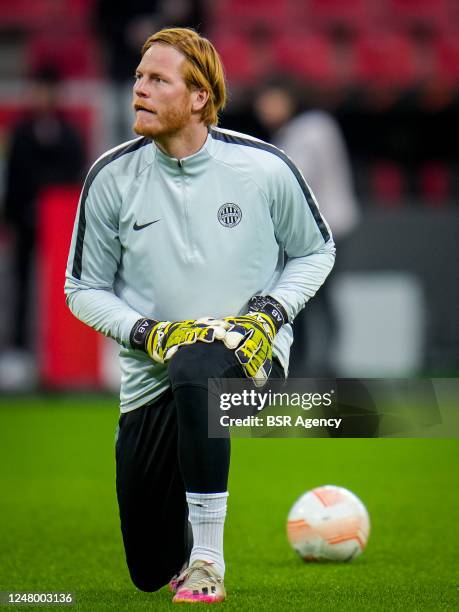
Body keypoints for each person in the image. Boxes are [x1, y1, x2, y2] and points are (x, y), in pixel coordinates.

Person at [64, 28, 335, 604]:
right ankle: (182, 549)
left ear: (199, 98)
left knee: (199, 367)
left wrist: (269, 312)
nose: (139, 88)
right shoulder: (110, 178)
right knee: (147, 568)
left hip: (250, 356)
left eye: (158, 79)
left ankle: (209, 560)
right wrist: (149, 333)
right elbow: (82, 288)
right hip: (150, 376)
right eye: (139, 77)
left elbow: (317, 250)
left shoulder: (263, 168)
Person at [254, 81, 359, 377]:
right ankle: (313, 364)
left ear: (288, 96)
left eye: (269, 100)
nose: (264, 109)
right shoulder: (309, 127)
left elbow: (294, 179)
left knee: (310, 298)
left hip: (325, 229)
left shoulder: (309, 127)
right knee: (312, 300)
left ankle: (321, 365)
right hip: (323, 227)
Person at [1, 66, 85, 388]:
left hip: (61, 226)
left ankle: (62, 353)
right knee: (21, 286)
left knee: (63, 288)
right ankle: (19, 353)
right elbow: (14, 179)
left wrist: (51, 204)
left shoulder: (70, 134)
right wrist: (15, 215)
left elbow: (75, 176)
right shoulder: (20, 133)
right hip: (24, 223)